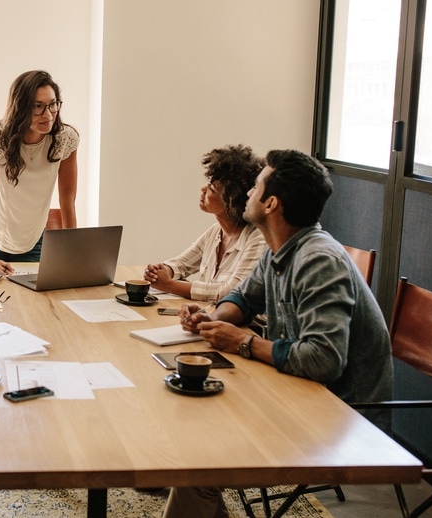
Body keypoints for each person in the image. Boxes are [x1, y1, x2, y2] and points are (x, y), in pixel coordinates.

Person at [161, 149, 394, 518]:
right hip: (296, 390)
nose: (247, 194)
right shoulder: (281, 248)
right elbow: (243, 296)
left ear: (271, 204)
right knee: (190, 424)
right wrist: (212, 317)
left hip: (341, 416)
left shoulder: (318, 260)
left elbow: (323, 360)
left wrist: (243, 341)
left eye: (255, 187)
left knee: (198, 459)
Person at [0, 70, 80, 274]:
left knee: (34, 301)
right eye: (38, 106)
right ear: (20, 107)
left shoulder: (65, 139)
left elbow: (68, 201)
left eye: (53, 104)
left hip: (33, 239)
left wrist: (71, 255)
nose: (48, 115)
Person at [143, 144, 266, 302]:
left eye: (212, 189)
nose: (203, 190)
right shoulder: (217, 231)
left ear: (232, 203)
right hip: (212, 318)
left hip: (244, 326)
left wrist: (169, 285)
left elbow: (231, 293)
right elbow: (181, 264)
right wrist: (163, 270)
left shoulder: (257, 238)